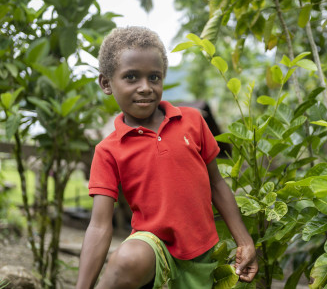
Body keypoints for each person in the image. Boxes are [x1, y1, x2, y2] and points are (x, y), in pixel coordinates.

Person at [76, 26, 258, 289]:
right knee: (127, 259)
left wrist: (244, 241)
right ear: (106, 83)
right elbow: (100, 225)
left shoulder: (193, 122)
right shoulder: (108, 150)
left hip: (206, 253)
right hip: (154, 253)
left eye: (154, 77)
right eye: (130, 77)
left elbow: (217, 184)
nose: (145, 87)